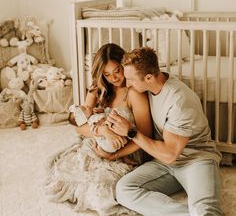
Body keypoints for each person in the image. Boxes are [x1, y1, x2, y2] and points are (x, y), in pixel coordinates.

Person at [107, 47, 224, 216]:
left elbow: (170, 154)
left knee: (205, 210)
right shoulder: (154, 81)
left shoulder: (180, 101)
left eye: (131, 80)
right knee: (124, 189)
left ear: (148, 77)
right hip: (164, 163)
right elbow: (167, 157)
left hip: (196, 159)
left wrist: (131, 132)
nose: (127, 84)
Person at [45, 43, 153, 216]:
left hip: (126, 152)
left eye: (117, 70)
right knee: (65, 173)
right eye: (107, 74)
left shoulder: (134, 93)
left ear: (123, 65)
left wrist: (114, 155)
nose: (114, 78)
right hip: (98, 142)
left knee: (101, 191)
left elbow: (146, 136)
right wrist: (102, 130)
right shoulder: (99, 89)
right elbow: (80, 127)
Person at [68, 103, 136, 164]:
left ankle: (124, 157)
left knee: (121, 140)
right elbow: (94, 128)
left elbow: (105, 113)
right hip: (105, 143)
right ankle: (121, 157)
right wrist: (103, 127)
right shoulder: (92, 119)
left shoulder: (94, 113)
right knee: (119, 137)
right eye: (85, 108)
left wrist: (101, 110)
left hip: (109, 138)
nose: (87, 106)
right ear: (84, 118)